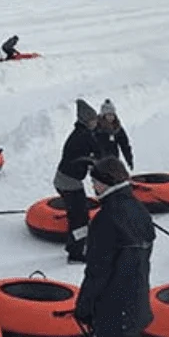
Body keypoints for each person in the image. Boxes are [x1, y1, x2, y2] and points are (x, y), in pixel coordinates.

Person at [75, 156, 154, 337]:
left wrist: (84, 306)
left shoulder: (106, 219)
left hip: (113, 299)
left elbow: (97, 270)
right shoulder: (138, 209)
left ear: (105, 183)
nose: (92, 186)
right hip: (136, 295)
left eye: (94, 181)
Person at [55, 100, 103, 262]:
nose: (96, 122)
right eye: (94, 120)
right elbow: (97, 156)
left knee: (76, 216)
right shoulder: (84, 137)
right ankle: (76, 253)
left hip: (64, 180)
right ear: (86, 120)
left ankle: (73, 246)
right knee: (80, 219)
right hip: (69, 183)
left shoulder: (80, 133)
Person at [94, 99, 133, 168]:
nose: (111, 117)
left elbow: (125, 145)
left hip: (113, 161)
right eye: (108, 115)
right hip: (99, 161)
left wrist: (129, 160)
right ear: (103, 115)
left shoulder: (117, 128)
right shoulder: (97, 128)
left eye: (112, 115)